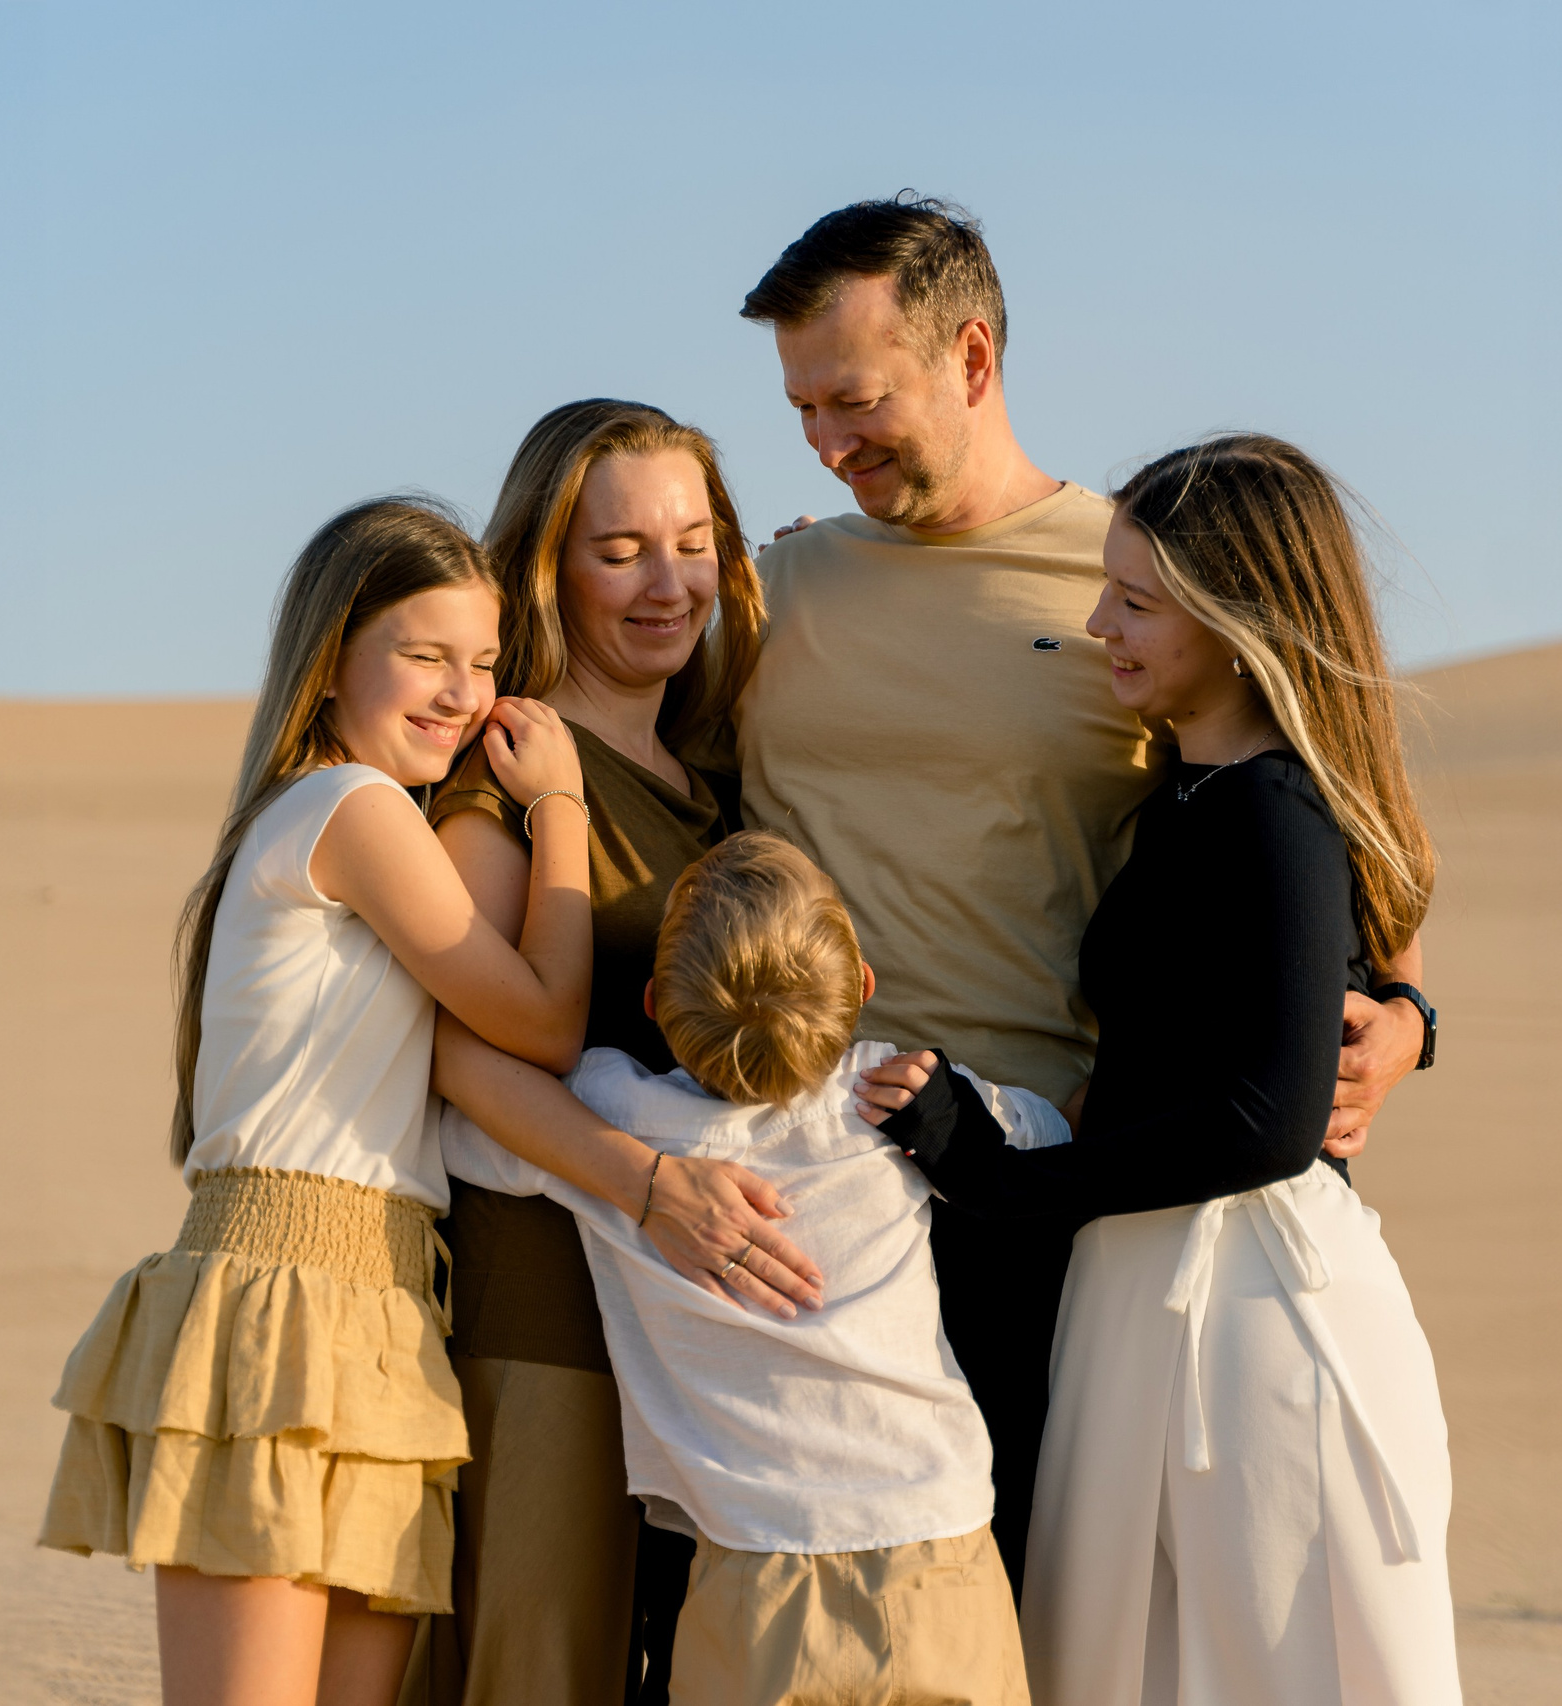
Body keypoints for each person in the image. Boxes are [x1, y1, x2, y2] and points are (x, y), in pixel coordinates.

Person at [730, 196, 1436, 1586]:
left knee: (1039, 1617)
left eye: (857, 399)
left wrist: (1405, 1010)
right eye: (802, 407)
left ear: (972, 359)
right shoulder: (774, 585)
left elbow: (1331, 829)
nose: (826, 442)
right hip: (800, 1187)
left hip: (1043, 1192)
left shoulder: (1142, 574)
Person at [861, 435, 1463, 1704]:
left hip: (1249, 1315)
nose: (1098, 624)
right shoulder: (1186, 793)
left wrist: (1004, 1181)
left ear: (1237, 618)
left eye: (1134, 601)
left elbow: (1266, 1119)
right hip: (1144, 1285)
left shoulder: (1272, 810)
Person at [37, 498, 598, 1706]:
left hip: (388, 1316)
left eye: (485, 662)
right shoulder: (350, 808)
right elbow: (544, 1020)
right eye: (425, 654)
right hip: (273, 1306)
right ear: (333, 652)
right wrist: (561, 804)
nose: (462, 692)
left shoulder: (362, 813)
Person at [444, 832, 1059, 1706]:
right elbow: (1043, 1135)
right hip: (939, 1550)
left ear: (654, 1004)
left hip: (750, 1573)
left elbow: (467, 1124)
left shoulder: (617, 1120)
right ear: (865, 987)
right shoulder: (892, 1095)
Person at [415, 402, 821, 1706]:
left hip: (692, 1329)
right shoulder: (513, 770)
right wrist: (651, 1185)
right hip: (549, 1304)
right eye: (622, 550)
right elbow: (458, 1058)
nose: (669, 583)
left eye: (694, 542)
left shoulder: (710, 777)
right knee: (540, 1668)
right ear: (547, 565)